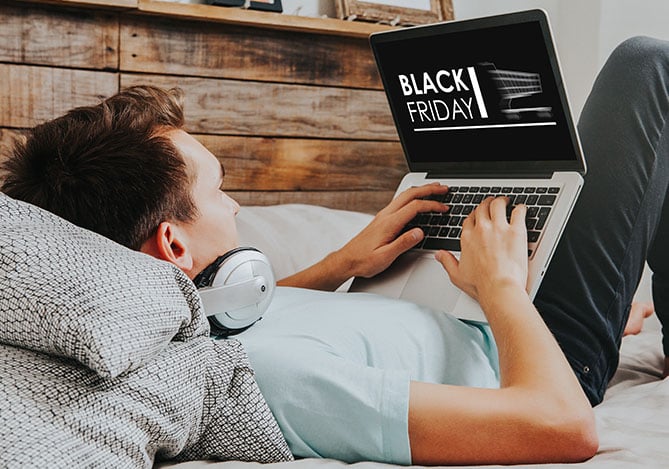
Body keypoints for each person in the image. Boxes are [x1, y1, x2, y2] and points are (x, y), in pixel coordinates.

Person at [2, 35, 668, 466]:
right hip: (536, 348)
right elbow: (560, 424)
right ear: (173, 242)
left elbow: (246, 315)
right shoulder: (270, 377)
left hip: (489, 303)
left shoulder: (192, 325)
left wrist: (347, 262)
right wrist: (500, 289)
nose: (236, 208)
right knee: (646, 68)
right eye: (221, 191)